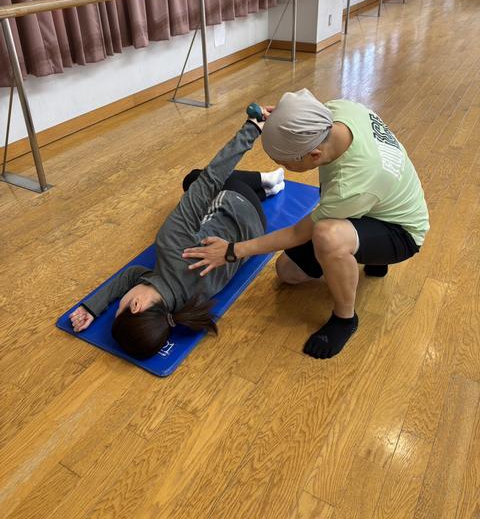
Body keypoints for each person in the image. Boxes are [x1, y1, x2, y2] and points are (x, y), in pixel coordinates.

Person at [183, 88, 430, 360]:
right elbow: (304, 111)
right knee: (287, 272)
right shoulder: (337, 112)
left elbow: (297, 233)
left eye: (284, 163)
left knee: (327, 236)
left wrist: (232, 250)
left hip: (401, 231)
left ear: (314, 155)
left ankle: (345, 318)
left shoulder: (351, 186)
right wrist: (283, 118)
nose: (281, 165)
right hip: (374, 202)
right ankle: (365, 252)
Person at [69, 109, 284, 359]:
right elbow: (211, 179)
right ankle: (264, 180)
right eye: (119, 308)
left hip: (257, 226)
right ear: (136, 306)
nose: (120, 302)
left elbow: (132, 276)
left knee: (195, 186)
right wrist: (251, 128)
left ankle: (267, 188)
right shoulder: (171, 244)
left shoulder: (183, 307)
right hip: (236, 202)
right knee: (195, 178)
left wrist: (92, 308)